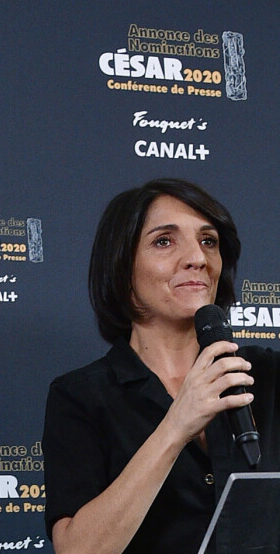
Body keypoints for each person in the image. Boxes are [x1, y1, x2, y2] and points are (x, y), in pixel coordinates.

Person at [42, 178, 280, 553]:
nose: (197, 258)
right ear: (122, 267)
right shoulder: (81, 397)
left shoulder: (268, 376)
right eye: (164, 241)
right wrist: (176, 426)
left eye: (208, 241)